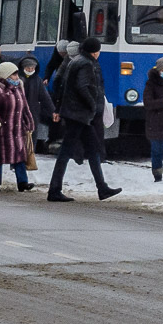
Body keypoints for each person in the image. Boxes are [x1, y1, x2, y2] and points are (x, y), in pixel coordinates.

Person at [47, 37, 120, 202]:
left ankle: (102, 188)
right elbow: (83, 87)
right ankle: (54, 190)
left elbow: (63, 84)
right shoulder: (87, 64)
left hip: (77, 114)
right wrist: (92, 104)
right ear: (95, 51)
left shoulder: (76, 60)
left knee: (93, 149)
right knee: (67, 152)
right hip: (79, 115)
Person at [0, 61, 35, 192]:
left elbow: (25, 107)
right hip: (1, 130)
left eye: (17, 74)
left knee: (20, 156)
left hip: (17, 129)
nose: (17, 77)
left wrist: (29, 122)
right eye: (14, 74)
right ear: (6, 76)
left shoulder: (19, 88)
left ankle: (22, 182)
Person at [19, 56, 56, 155]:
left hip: (33, 112)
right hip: (19, 112)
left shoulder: (37, 80)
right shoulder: (18, 79)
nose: (30, 70)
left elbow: (45, 98)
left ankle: (29, 157)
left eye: (32, 68)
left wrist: (53, 111)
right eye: (28, 68)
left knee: (32, 135)